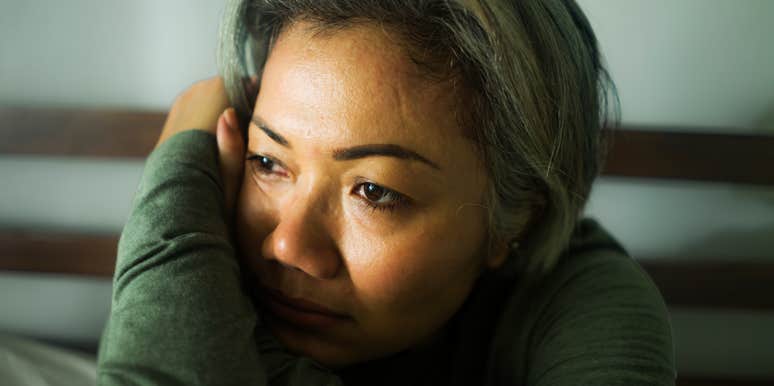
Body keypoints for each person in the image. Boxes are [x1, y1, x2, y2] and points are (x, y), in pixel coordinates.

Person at [97, 0, 676, 385]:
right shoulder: (223, 229)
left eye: (373, 191)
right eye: (269, 161)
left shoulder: (590, 304)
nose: (288, 247)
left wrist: (172, 209)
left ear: (516, 218)